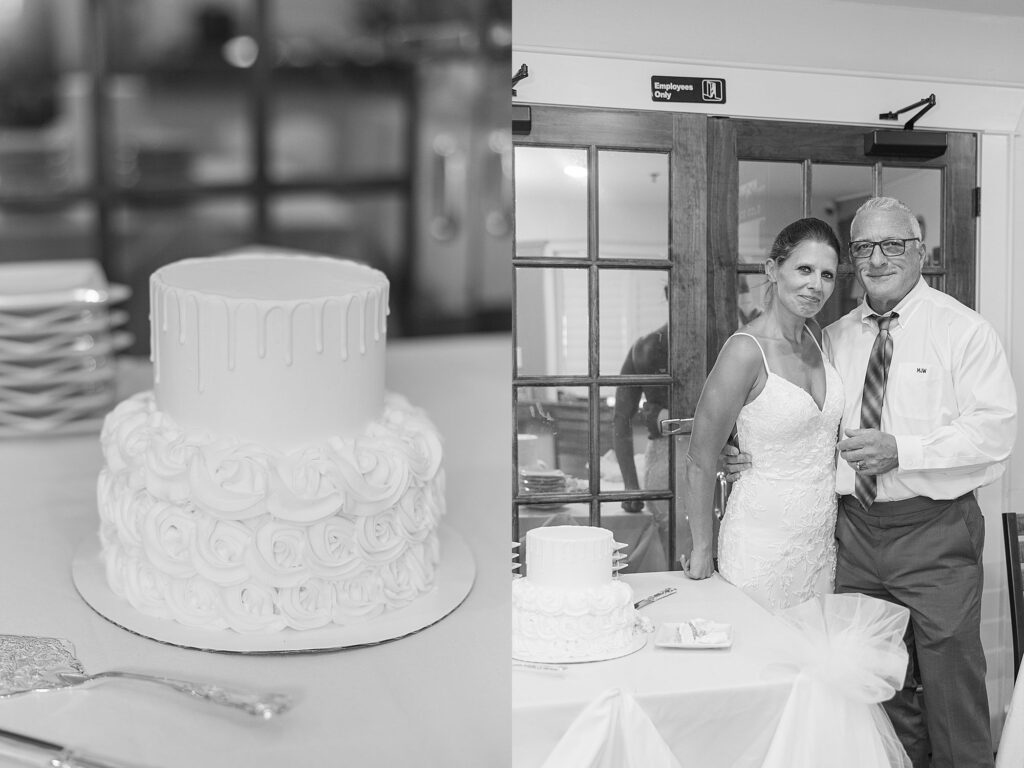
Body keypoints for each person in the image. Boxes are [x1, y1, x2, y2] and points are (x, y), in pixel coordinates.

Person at [727, 196, 1017, 768]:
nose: (877, 259)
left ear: (921, 252)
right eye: (863, 248)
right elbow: (803, 419)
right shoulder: (830, 338)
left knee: (951, 682)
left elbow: (995, 434)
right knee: (873, 689)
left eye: (893, 245)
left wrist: (900, 451)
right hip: (854, 535)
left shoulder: (964, 331)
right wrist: (748, 451)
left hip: (936, 532)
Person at [681, 217, 843, 612]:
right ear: (773, 270)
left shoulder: (821, 340)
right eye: (803, 269)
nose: (815, 285)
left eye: (827, 274)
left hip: (820, 542)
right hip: (759, 543)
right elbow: (700, 458)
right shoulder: (745, 350)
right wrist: (702, 549)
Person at [612, 320, 672, 546]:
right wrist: (630, 486)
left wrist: (631, 486)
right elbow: (621, 419)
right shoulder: (647, 347)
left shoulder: (646, 347)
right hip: (668, 463)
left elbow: (620, 419)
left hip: (666, 459)